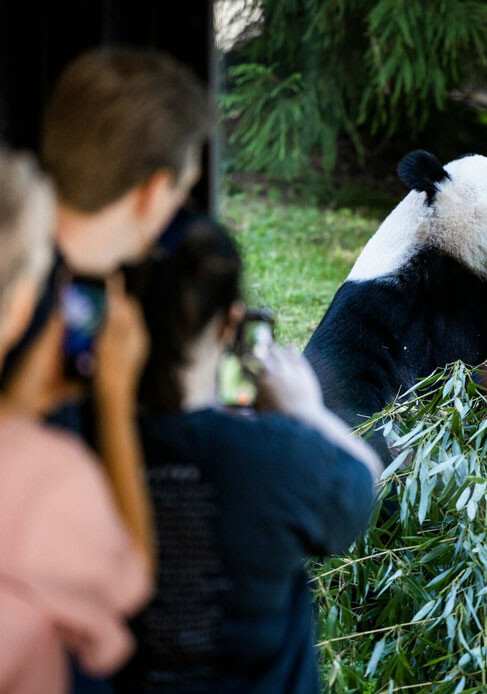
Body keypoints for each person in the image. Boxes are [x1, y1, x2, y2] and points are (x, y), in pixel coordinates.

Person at [114, 219, 382, 693]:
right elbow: (363, 482)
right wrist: (305, 412)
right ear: (230, 324)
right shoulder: (275, 456)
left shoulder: (80, 446)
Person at [2, 45, 217, 570]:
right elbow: (117, 571)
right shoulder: (32, 308)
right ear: (154, 192)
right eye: (183, 192)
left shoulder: (47, 275)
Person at [0, 149, 151, 693]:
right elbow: (132, 577)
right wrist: (115, 399)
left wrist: (19, 402)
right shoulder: (49, 479)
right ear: (21, 304)